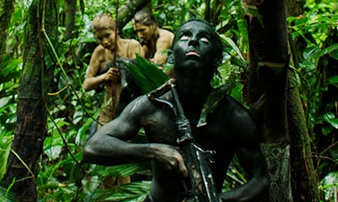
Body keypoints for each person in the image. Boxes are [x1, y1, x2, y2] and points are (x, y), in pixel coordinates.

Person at [83, 18, 269, 201]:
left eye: (204, 39)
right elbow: (93, 147)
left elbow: (260, 179)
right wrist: (155, 151)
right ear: (172, 56)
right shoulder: (151, 106)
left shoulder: (233, 116)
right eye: (185, 37)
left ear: (217, 59)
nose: (193, 41)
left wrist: (220, 200)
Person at [83, 13, 143, 127]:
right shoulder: (99, 52)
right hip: (108, 111)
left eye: (107, 35)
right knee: (101, 143)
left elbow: (141, 77)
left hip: (132, 110)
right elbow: (86, 84)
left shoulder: (132, 46)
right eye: (100, 38)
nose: (105, 41)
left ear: (116, 31)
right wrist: (104, 77)